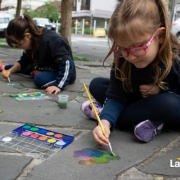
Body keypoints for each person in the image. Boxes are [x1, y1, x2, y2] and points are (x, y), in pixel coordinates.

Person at [81, 0, 180, 145]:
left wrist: (161, 89)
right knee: (97, 85)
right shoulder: (123, 59)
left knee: (169, 104)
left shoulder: (175, 59)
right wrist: (105, 123)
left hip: (165, 103)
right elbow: (116, 96)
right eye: (122, 48)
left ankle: (104, 114)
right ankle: (147, 121)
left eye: (138, 47)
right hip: (136, 100)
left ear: (160, 36)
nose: (131, 57)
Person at [1, 14, 76, 94]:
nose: (19, 47)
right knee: (16, 67)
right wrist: (9, 71)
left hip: (60, 71)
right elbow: (23, 61)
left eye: (19, 44)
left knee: (39, 79)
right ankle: (8, 67)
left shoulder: (52, 41)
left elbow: (67, 63)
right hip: (42, 66)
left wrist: (58, 85)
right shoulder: (31, 42)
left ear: (27, 36)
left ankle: (37, 72)